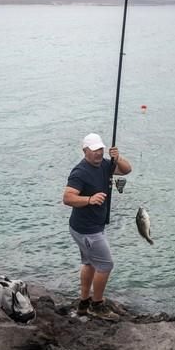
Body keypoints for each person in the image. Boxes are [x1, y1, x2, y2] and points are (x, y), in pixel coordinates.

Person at [63, 133, 132, 321]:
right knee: (106, 264)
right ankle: (97, 305)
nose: (99, 153)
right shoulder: (80, 172)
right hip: (87, 230)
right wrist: (89, 199)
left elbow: (126, 170)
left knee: (89, 263)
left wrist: (118, 157)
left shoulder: (104, 164)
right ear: (85, 151)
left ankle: (84, 302)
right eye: (94, 151)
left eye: (101, 149)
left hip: (88, 226)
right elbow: (67, 198)